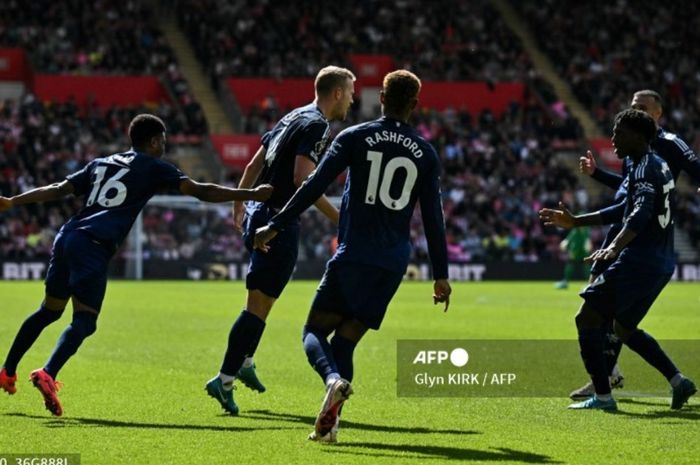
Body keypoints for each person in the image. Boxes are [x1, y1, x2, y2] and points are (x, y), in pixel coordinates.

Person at [0, 114, 272, 416]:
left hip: (67, 237)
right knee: (85, 321)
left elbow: (57, 189)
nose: (164, 149)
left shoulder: (101, 163)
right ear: (154, 141)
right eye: (164, 143)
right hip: (93, 245)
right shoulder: (153, 166)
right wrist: (249, 194)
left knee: (48, 310)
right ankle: (48, 372)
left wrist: (13, 201)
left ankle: (7, 370)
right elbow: (200, 191)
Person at [254, 70, 451, 441]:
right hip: (392, 264)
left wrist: (276, 223)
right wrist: (441, 274)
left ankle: (332, 379)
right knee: (344, 342)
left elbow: (313, 185)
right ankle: (330, 426)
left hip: (353, 255)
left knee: (313, 330)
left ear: (380, 100)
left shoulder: (355, 136)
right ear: (415, 105)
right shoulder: (425, 152)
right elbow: (434, 218)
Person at [205, 66, 356, 415]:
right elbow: (304, 179)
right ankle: (225, 379)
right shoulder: (318, 125)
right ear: (336, 93)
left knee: (262, 304)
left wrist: (240, 204)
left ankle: (243, 361)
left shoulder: (292, 116)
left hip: (260, 213)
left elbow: (254, 164)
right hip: (277, 221)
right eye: (350, 91)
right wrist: (339, 219)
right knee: (256, 308)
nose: (352, 97)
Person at [540, 109, 696, 411]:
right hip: (662, 263)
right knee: (623, 329)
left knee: (586, 318)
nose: (612, 138)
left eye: (618, 132)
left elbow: (639, 215)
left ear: (638, 136)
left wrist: (614, 248)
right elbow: (626, 208)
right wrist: (577, 222)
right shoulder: (655, 164)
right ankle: (679, 381)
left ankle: (602, 396)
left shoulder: (642, 169)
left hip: (640, 260)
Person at [554, 225, 591, 289]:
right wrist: (566, 242)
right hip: (579, 249)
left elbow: (584, 239)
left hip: (579, 250)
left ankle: (590, 283)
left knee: (579, 264)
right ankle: (565, 282)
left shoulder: (582, 230)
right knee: (576, 264)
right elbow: (571, 238)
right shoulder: (576, 230)